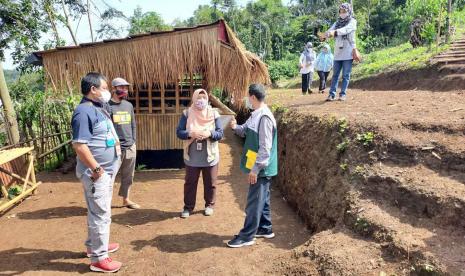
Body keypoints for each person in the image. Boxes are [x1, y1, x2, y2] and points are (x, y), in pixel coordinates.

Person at [71, 72, 122, 273]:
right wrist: (98, 169)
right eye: (105, 87)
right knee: (101, 214)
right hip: (96, 174)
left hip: (105, 172)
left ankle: (95, 246)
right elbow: (80, 145)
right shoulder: (83, 112)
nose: (108, 91)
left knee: (99, 212)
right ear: (93, 89)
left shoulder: (98, 108)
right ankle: (99, 259)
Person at [227, 84, 278, 248]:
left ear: (253, 98)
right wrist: (235, 127)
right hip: (257, 164)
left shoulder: (264, 118)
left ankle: (247, 236)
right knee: (263, 200)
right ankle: (265, 228)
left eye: (248, 97)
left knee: (254, 202)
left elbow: (265, 148)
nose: (246, 100)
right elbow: (244, 130)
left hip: (261, 168)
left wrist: (255, 169)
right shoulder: (255, 114)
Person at [176, 89, 224, 218]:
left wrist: (210, 133)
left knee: (211, 182)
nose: (200, 100)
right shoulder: (187, 113)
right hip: (192, 156)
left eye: (203, 98)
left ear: (207, 99)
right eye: (198, 97)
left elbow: (220, 133)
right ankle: (188, 208)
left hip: (210, 155)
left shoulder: (214, 114)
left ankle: (209, 205)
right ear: (193, 98)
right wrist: (191, 133)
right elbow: (179, 132)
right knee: (190, 183)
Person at [108, 77, 140, 209]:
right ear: (114, 89)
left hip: (130, 145)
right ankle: (105, 202)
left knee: (128, 175)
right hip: (114, 147)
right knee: (110, 175)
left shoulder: (128, 105)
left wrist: (133, 141)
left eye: (126, 88)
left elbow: (133, 124)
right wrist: (112, 144)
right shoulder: (107, 106)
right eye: (121, 87)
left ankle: (126, 199)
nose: (124, 90)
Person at [319, 3, 357, 101]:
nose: (342, 13)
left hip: (348, 52)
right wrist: (324, 36)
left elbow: (346, 30)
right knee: (335, 75)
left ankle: (342, 94)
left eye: (344, 11)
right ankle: (331, 94)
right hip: (337, 53)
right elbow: (330, 31)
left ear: (348, 11)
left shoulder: (352, 21)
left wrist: (335, 32)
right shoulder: (337, 23)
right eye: (340, 11)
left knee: (346, 75)